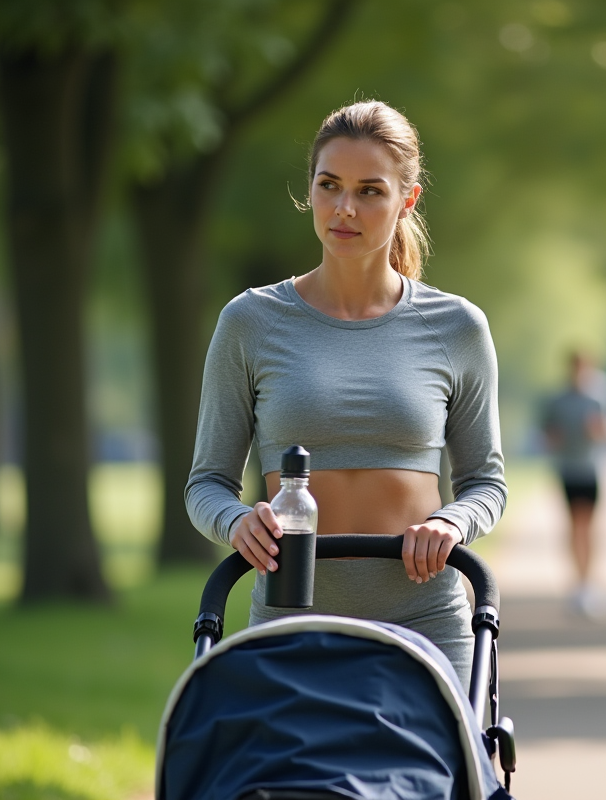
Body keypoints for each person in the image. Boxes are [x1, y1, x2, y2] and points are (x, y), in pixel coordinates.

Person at [185, 101, 507, 689]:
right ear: (309, 189)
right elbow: (206, 484)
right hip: (291, 623)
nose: (344, 208)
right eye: (329, 185)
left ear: (406, 201)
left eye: (369, 191)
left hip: (427, 625)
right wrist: (236, 523)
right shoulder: (250, 321)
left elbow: (487, 484)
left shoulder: (457, 326)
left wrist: (452, 524)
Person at [542, 351, 606, 618]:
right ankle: (578, 584)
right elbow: (546, 433)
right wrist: (554, 437)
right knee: (573, 526)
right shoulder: (558, 399)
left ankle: (591, 584)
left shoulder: (605, 393)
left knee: (589, 527)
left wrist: (602, 429)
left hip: (594, 469)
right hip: (568, 470)